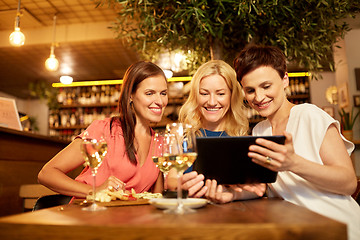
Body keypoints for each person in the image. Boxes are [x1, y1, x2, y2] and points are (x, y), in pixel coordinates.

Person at [233, 44, 360, 240]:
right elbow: (271, 187)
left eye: (266, 86)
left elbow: (349, 183)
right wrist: (232, 194)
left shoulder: (310, 115)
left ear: (285, 79)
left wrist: (294, 164)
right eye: (250, 90)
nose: (258, 97)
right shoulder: (259, 131)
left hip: (337, 227)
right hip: (295, 229)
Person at [38, 61, 168, 199]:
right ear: (130, 95)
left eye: (163, 93)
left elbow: (156, 198)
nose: (160, 101)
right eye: (150, 93)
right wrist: (95, 191)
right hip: (90, 215)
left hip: (131, 219)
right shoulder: (105, 130)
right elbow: (47, 174)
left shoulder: (160, 144)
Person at [172, 60, 266, 202]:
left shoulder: (241, 138)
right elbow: (170, 180)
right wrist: (181, 185)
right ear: (195, 96)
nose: (212, 102)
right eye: (204, 93)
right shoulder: (180, 136)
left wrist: (231, 194)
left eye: (220, 94)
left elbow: (258, 188)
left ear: (231, 96)